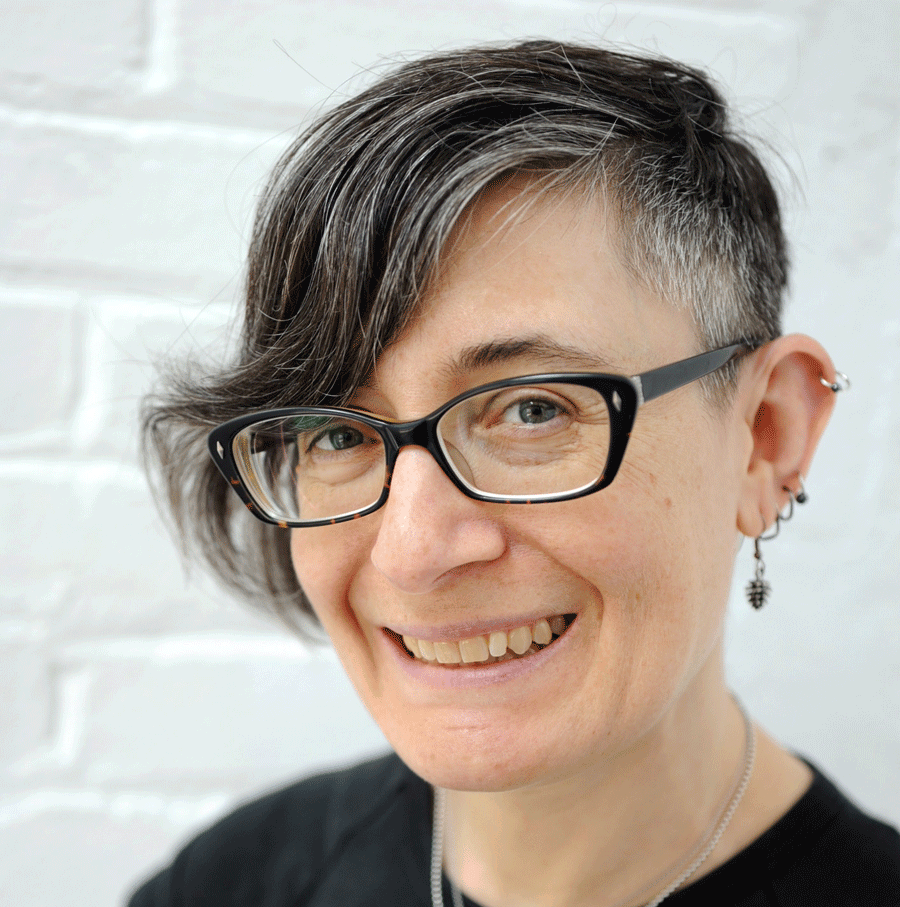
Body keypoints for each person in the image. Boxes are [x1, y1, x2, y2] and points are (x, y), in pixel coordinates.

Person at [129, 40, 900, 907]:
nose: (413, 552)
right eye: (332, 433)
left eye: (532, 409)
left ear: (765, 439)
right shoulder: (228, 885)